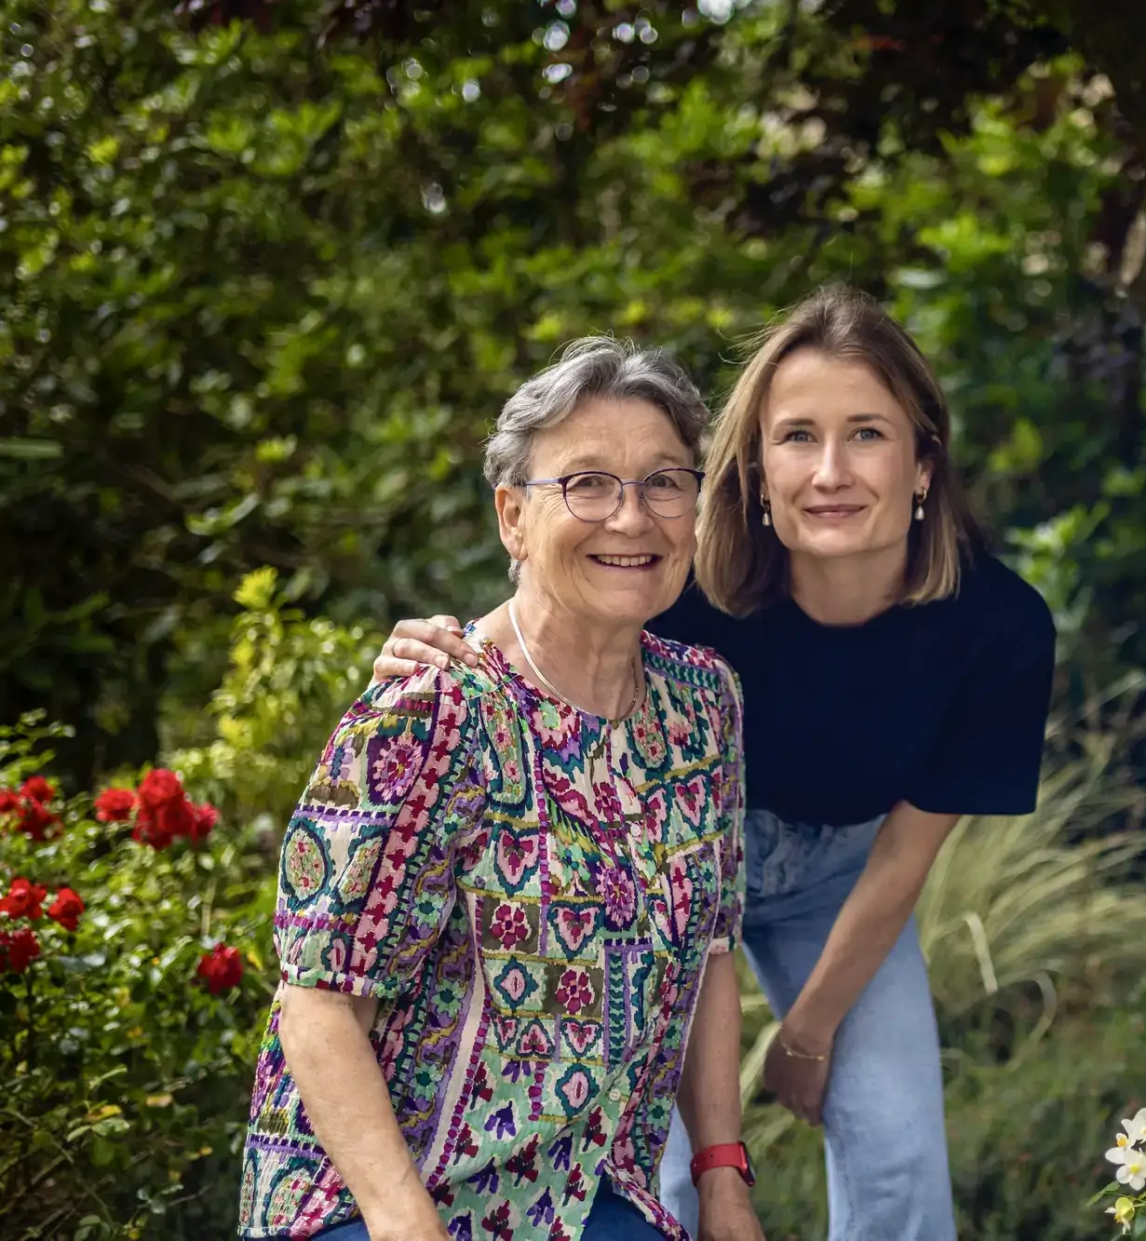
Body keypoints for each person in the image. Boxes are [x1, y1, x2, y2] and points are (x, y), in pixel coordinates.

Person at [372, 286, 1057, 1241]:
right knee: (663, 1176)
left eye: (866, 434)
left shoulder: (1001, 628)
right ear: (756, 467)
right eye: (796, 438)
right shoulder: (684, 578)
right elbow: (547, 617)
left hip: (841, 879)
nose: (829, 472)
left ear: (922, 464)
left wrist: (806, 1037)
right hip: (663, 869)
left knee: (897, 1147)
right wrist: (436, 648)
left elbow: (904, 856)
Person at [240, 340, 764, 1241]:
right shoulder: (433, 709)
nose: (631, 517)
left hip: (587, 1194)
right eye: (587, 484)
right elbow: (317, 1002)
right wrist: (408, 1223)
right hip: (378, 1199)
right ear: (513, 517)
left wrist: (722, 1176)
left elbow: (710, 948)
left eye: (663, 483)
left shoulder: (703, 705)